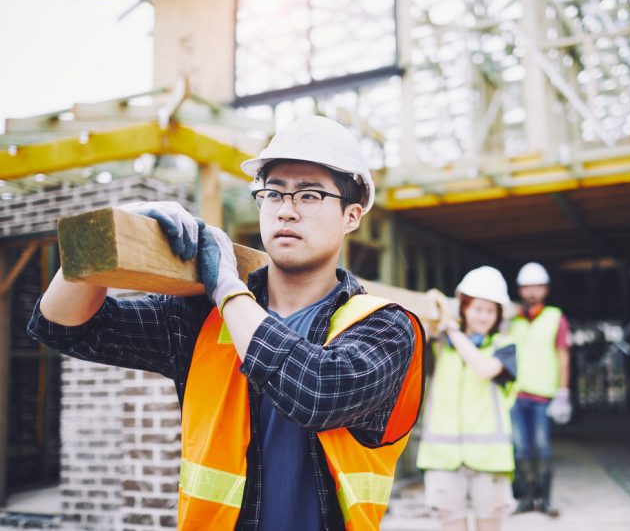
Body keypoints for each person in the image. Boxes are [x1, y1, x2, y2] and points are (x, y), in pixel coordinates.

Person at [27, 115, 425, 531]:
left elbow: (317, 394)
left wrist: (227, 289)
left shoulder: (384, 327)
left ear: (352, 216)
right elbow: (61, 326)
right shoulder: (201, 319)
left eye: (309, 196)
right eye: (274, 193)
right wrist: (118, 228)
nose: (286, 211)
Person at [417, 266, 517, 531]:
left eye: (490, 310)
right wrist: (432, 317)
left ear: (498, 314)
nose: (483, 316)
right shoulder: (439, 346)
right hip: (442, 458)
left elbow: (483, 369)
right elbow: (410, 347)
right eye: (477, 308)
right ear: (463, 307)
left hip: (489, 460)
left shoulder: (504, 347)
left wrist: (453, 332)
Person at [508, 262, 571, 516]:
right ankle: (525, 498)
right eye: (526, 287)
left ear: (545, 289)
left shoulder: (556, 317)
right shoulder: (513, 319)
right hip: (516, 394)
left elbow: (563, 356)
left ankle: (544, 499)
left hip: (543, 396)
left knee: (542, 447)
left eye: (536, 286)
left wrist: (563, 393)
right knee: (521, 448)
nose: (531, 292)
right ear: (520, 290)